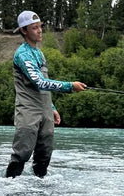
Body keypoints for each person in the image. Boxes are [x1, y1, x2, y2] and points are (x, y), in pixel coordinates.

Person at [5, 10, 87, 178]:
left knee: (44, 154)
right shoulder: (22, 54)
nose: (40, 30)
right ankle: (9, 186)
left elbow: (43, 87)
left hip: (45, 111)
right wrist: (70, 86)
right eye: (34, 28)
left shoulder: (39, 53)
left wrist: (51, 107)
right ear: (24, 31)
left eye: (40, 27)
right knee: (23, 153)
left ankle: (40, 189)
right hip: (28, 110)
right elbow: (39, 82)